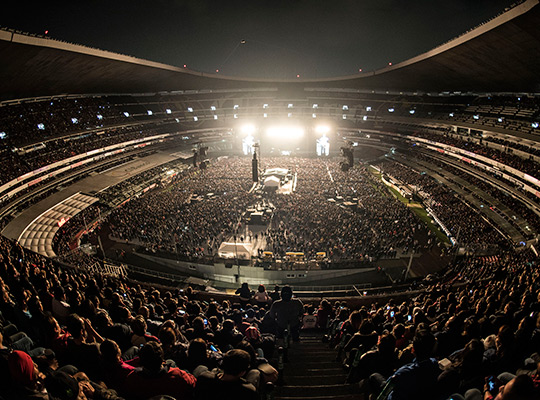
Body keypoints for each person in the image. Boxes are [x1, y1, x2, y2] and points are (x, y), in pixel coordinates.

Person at [123, 341, 196, 400]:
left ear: (141, 360)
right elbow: (193, 382)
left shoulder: (132, 379)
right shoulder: (178, 375)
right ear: (162, 359)